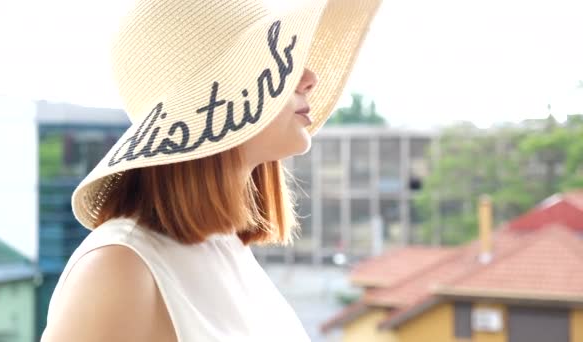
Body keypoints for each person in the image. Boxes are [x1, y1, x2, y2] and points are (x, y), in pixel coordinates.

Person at [41, 0, 381, 340]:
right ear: (220, 96)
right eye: (277, 58)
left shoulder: (225, 248)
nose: (309, 78)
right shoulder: (118, 268)